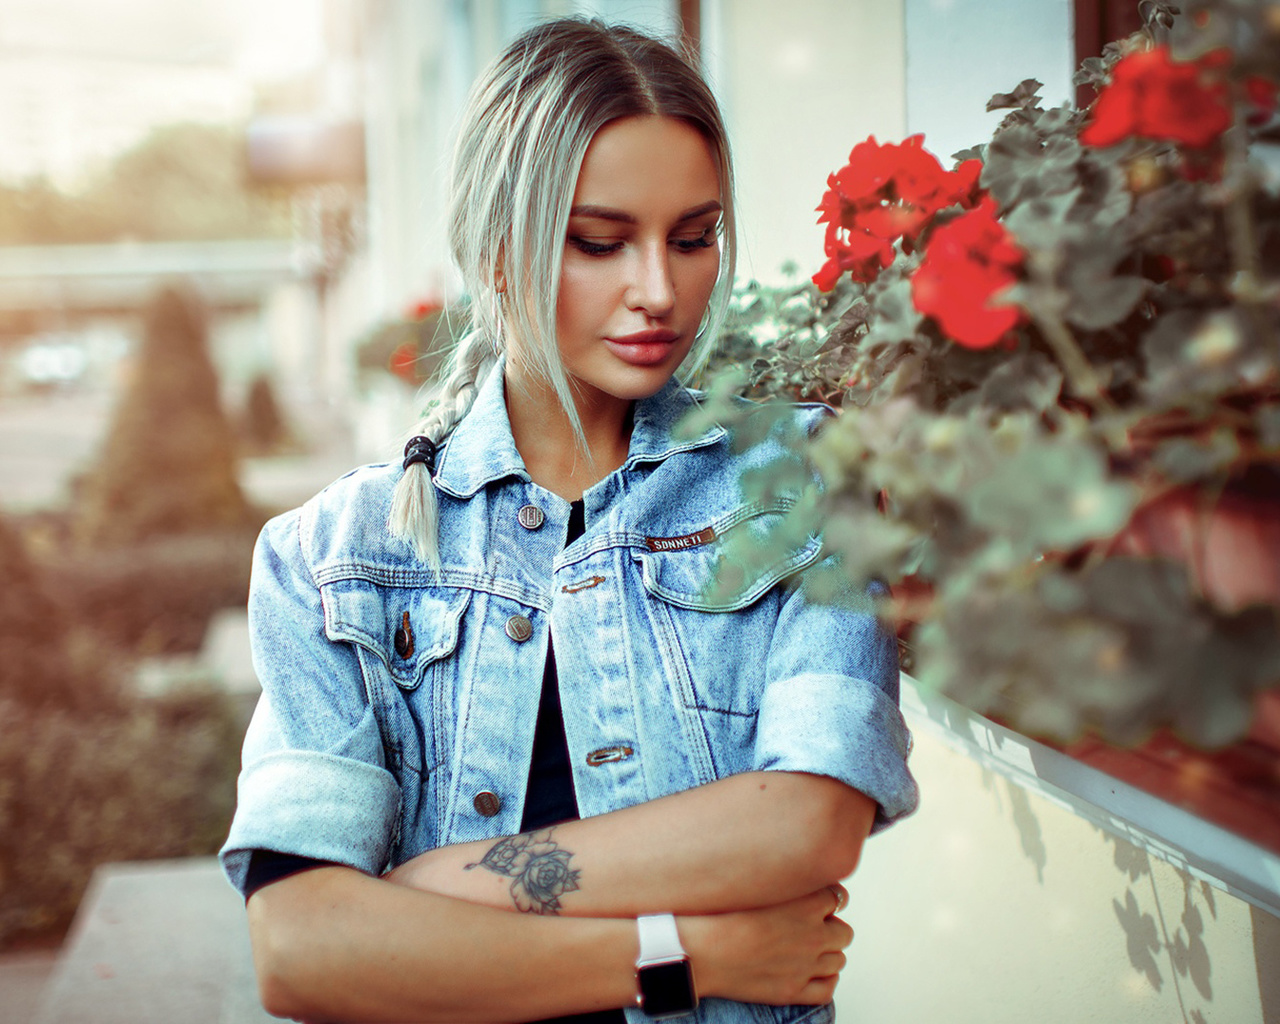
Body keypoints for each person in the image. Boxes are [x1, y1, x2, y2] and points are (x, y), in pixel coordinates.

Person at [219, 17, 918, 1024]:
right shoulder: (333, 558)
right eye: (598, 242)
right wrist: (684, 951)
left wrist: (449, 879)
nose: (657, 290)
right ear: (496, 248)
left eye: (692, 238)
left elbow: (806, 823)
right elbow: (301, 949)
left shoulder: (804, 478)